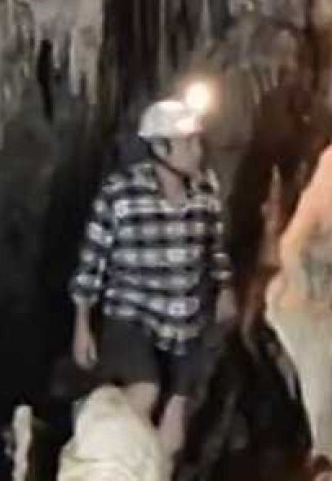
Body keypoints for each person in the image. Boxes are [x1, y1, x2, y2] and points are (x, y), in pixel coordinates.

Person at [69, 96, 237, 460]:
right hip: (133, 316)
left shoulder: (206, 189)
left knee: (174, 430)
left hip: (185, 324)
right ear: (161, 148)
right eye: (188, 142)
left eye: (198, 140)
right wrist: (82, 326)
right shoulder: (121, 193)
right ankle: (92, 456)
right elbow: (91, 262)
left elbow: (215, 246)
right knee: (145, 391)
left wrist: (225, 288)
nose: (198, 149)